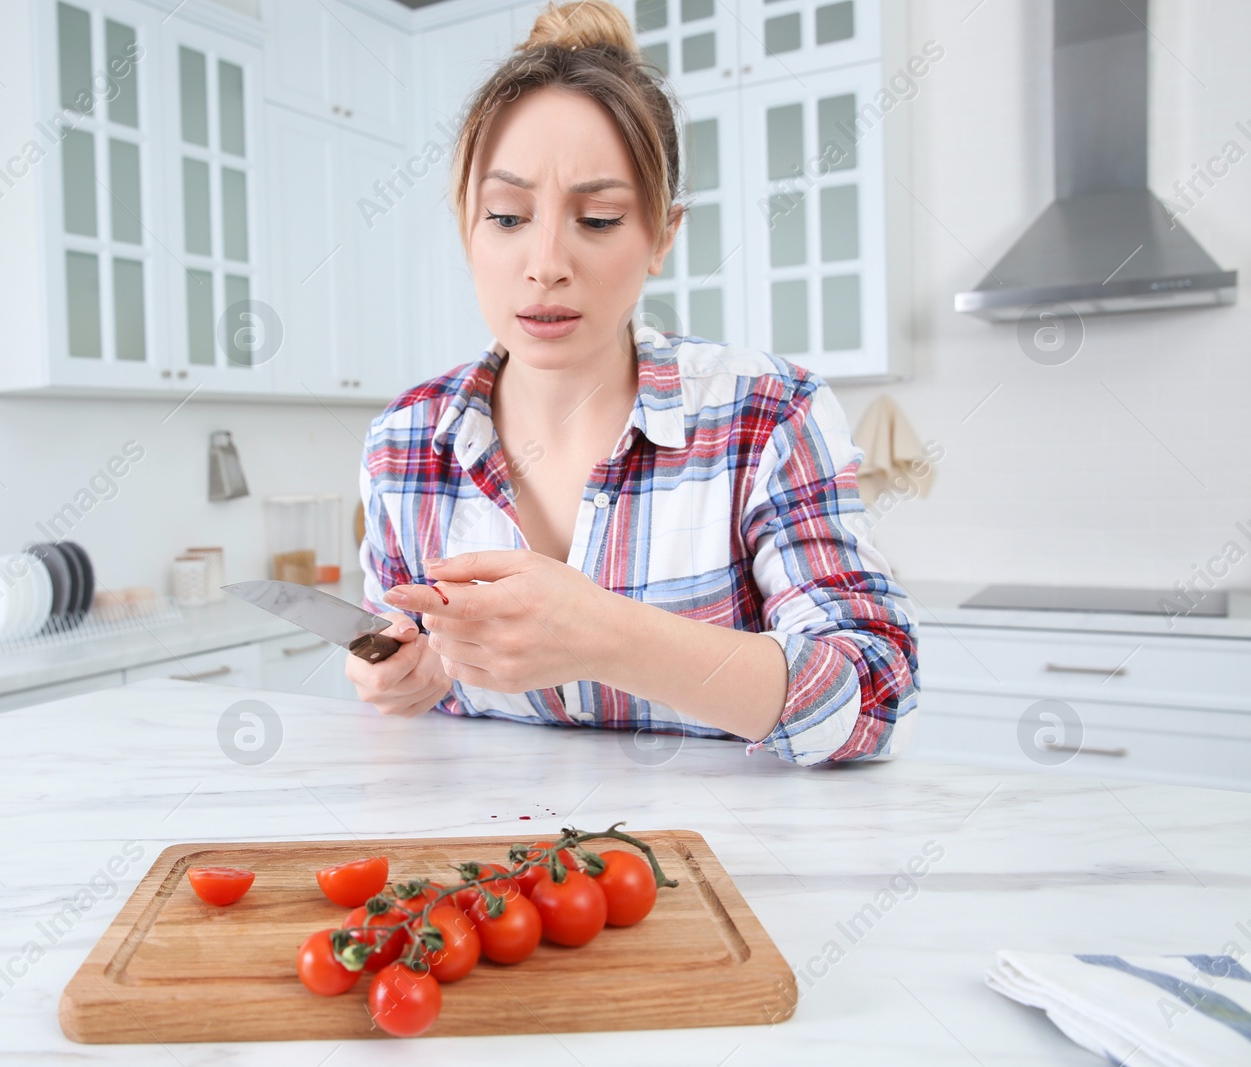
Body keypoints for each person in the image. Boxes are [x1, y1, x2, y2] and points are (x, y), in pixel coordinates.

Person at [344, 0, 918, 765]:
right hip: (503, 871)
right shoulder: (403, 442)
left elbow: (876, 696)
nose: (545, 262)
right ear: (466, 227)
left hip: (725, 862)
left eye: (601, 219)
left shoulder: (769, 416)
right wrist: (397, 678)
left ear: (662, 234)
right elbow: (395, 646)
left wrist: (607, 635)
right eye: (508, 216)